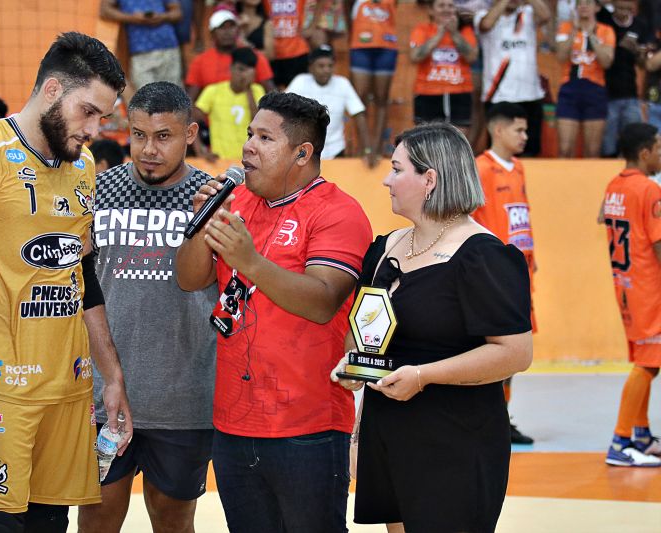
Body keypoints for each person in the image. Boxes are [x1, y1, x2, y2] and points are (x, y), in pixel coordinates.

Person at [0, 32, 132, 531]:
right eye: (90, 112)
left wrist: (112, 376)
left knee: (49, 525)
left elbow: (84, 277)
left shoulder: (82, 167)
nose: (96, 128)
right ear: (53, 90)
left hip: (68, 388)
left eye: (104, 116)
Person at [177, 91, 372, 532]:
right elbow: (190, 279)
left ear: (303, 153)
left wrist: (250, 263)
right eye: (250, 134)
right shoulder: (238, 201)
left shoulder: (338, 212)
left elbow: (323, 302)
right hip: (233, 421)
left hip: (308, 424)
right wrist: (201, 222)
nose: (248, 146)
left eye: (265, 138)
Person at [331, 122, 533, 532]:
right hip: (388, 431)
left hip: (455, 437)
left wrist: (424, 376)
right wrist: (354, 368)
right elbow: (369, 338)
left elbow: (515, 353)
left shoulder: (482, 255)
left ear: (430, 179)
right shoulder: (386, 247)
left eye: (397, 169)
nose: (386, 179)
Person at [78, 81, 218, 533]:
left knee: (173, 521)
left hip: (184, 397)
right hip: (102, 395)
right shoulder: (97, 191)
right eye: (139, 135)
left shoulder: (211, 198)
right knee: (96, 518)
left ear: (190, 133)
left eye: (163, 136)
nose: (148, 149)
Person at [472, 102, 537, 444]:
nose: (525, 136)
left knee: (514, 349)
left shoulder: (520, 168)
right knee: (493, 347)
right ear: (498, 130)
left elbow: (521, 216)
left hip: (520, 273)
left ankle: (503, 416)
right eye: (519, 130)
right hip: (492, 274)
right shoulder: (481, 168)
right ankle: (488, 416)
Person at [602, 122, 661, 467]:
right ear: (644, 152)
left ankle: (640, 433)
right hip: (649, 289)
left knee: (648, 361)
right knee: (648, 365)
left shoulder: (613, 186)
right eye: (658, 146)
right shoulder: (649, 190)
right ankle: (620, 441)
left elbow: (602, 218)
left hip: (625, 286)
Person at [475, 0, 551, 157]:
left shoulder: (528, 14)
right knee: (499, 152)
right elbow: (486, 25)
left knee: (530, 150)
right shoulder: (482, 15)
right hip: (498, 96)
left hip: (530, 95)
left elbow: (546, 15)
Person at [286, 44, 377, 168]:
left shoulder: (342, 84)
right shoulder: (300, 82)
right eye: (321, 66)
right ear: (311, 68)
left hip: (336, 151)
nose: (326, 70)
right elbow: (283, 111)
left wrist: (368, 149)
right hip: (306, 151)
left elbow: (359, 115)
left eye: (330, 66)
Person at [555, 0, 615, 158]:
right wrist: (575, 31)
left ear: (596, 7)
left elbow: (607, 62)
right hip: (569, 87)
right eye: (579, 3)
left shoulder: (606, 30)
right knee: (565, 149)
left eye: (588, 3)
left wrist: (591, 35)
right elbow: (561, 56)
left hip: (595, 89)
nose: (583, 6)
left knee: (593, 151)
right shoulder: (565, 28)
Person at [409, 0, 479, 136]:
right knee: (426, 139)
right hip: (427, 91)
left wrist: (454, 33)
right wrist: (439, 35)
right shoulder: (422, 29)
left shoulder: (465, 31)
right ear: (431, 10)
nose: (446, 9)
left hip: (459, 91)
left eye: (450, 6)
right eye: (441, 5)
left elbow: (471, 57)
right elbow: (415, 56)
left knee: (459, 139)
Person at [597, 0, 651, 157]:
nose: (623, 12)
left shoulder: (640, 24)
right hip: (606, 92)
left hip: (630, 92)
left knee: (636, 141)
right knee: (608, 144)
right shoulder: (604, 20)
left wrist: (637, 51)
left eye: (628, 9)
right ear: (613, 5)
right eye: (620, 8)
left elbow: (643, 64)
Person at [185, 9, 276, 102]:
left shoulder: (254, 57)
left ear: (237, 30)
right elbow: (189, 100)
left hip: (251, 113)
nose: (227, 32)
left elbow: (272, 93)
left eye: (231, 27)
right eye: (222, 28)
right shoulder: (200, 61)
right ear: (212, 33)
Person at [195, 47, 265, 161]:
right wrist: (200, 151)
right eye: (240, 69)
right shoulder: (213, 91)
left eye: (249, 70)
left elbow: (260, 125)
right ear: (231, 68)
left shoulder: (257, 91)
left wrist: (248, 90)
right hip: (220, 161)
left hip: (249, 161)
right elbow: (191, 120)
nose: (244, 75)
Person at [349, 0, 398, 157]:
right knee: (358, 100)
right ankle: (363, 148)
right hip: (360, 46)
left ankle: (377, 149)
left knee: (382, 99)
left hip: (386, 46)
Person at [100, 0, 182, 88]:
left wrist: (162, 17)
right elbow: (104, 11)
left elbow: (177, 13)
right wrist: (131, 18)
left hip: (167, 47)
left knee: (172, 95)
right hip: (139, 51)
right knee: (146, 97)